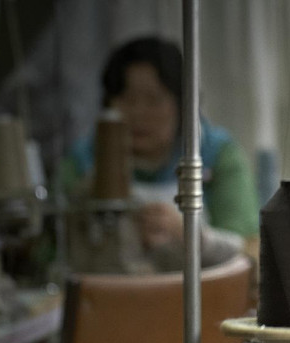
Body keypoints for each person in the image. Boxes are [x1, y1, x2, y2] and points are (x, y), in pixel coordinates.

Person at [63, 36, 258, 264]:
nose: (138, 112)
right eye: (126, 99)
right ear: (108, 103)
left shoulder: (217, 155)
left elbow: (247, 248)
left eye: (153, 100)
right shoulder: (82, 162)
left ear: (182, 104)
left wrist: (189, 236)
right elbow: (52, 251)